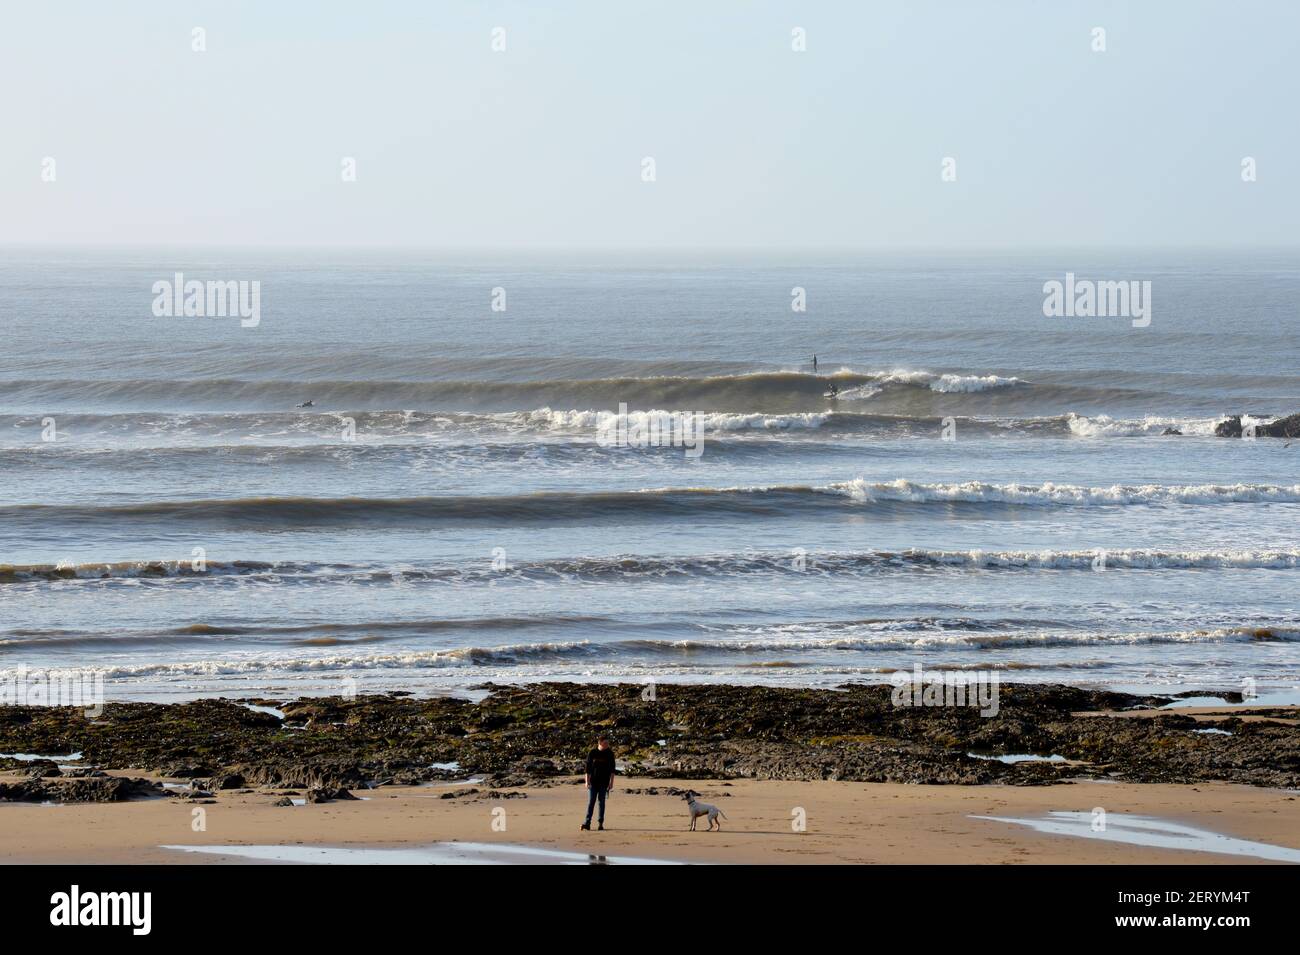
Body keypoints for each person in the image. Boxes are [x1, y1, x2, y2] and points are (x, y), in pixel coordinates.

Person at [580, 736, 616, 831]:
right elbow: (587, 769)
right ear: (600, 743)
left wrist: (611, 783)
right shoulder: (592, 753)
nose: (607, 745)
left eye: (608, 743)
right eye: (605, 743)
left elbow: (612, 770)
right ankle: (587, 823)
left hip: (604, 782)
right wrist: (587, 781)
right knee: (591, 802)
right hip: (593, 782)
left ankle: (600, 823)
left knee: (601, 802)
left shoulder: (610, 753)